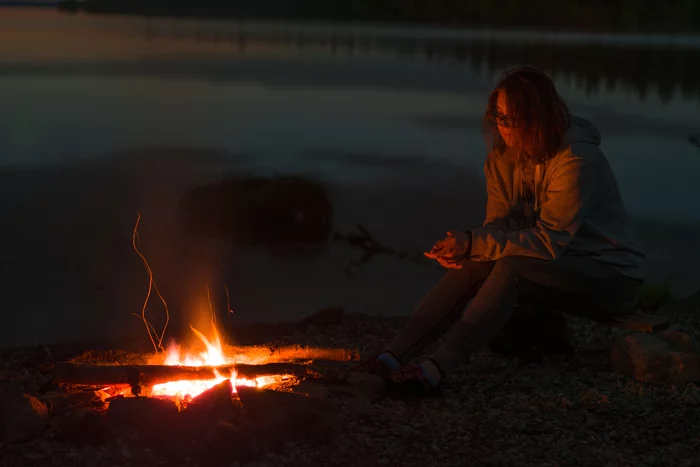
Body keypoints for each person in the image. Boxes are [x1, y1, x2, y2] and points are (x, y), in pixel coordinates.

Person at [355, 66, 646, 396]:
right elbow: (500, 225)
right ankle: (391, 357)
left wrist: (477, 243)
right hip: (554, 267)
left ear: (538, 115)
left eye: (513, 118)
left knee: (511, 268)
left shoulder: (576, 161)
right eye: (499, 115)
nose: (503, 126)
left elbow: (549, 243)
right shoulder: (504, 159)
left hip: (610, 277)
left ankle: (435, 370)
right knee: (477, 263)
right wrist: (467, 246)